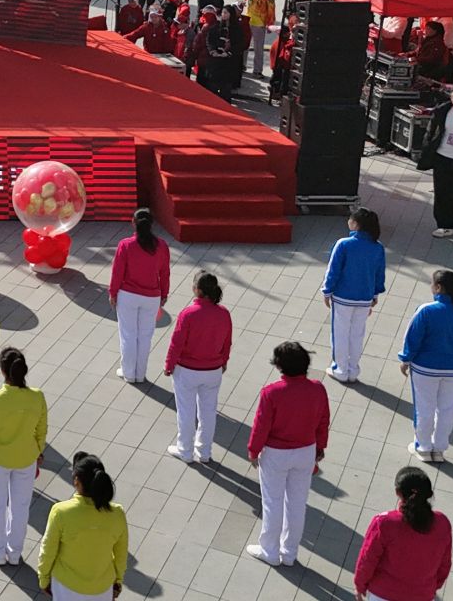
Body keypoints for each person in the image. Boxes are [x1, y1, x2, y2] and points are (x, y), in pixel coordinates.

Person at [247, 340, 330, 566]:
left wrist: (253, 450)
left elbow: (261, 426)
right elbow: (323, 421)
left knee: (272, 502)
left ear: (280, 366)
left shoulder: (271, 392)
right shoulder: (318, 389)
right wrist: (320, 447)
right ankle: (289, 552)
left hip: (275, 454)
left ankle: (269, 550)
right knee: (297, 504)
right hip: (305, 451)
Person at [0, 347, 45, 566]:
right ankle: (15, 552)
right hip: (26, 460)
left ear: (3, 371)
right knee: (20, 507)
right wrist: (38, 451)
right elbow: (41, 430)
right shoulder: (37, 397)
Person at [398, 269, 453, 463]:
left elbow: (412, 338)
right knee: (447, 410)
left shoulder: (426, 310)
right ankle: (439, 448)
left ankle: (423, 446)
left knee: (424, 408)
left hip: (425, 368)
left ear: (439, 288)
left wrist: (406, 359)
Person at [354, 466, 453, 601]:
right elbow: (444, 564)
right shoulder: (442, 523)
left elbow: (367, 559)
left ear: (398, 492)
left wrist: (360, 585)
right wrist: (431, 587)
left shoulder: (384, 523)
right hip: (422, 595)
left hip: (383, 594)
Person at [37, 452, 127, 599]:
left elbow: (48, 550)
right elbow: (121, 554)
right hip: (102, 589)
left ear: (76, 481)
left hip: (66, 588)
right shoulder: (117, 513)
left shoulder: (61, 512)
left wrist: (44, 579)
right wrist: (117, 581)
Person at [163, 271, 231, 463]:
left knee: (186, 412)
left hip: (187, 371)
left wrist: (169, 364)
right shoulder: (223, 314)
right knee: (208, 413)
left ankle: (185, 450)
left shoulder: (188, 314)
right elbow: (227, 341)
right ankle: (204, 452)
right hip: (213, 371)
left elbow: (176, 343)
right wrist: (223, 361)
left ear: (197, 290)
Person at [322, 207, 386, 383]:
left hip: (343, 297)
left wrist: (327, 291)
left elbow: (333, 270)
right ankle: (353, 370)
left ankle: (340, 369)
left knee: (340, 333)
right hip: (365, 298)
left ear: (356, 224)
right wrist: (375, 295)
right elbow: (379, 273)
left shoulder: (344, 244)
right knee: (357, 335)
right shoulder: (378, 247)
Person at [108, 208, 170, 384]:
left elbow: (117, 272)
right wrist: (164, 293)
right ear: (151, 224)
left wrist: (113, 292)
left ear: (133, 223)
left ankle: (128, 373)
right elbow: (165, 273)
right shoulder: (162, 246)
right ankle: (140, 374)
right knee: (145, 336)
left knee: (128, 335)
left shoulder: (125, 245)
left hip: (127, 295)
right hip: (152, 297)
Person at [242, 0, 277, 78]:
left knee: (258, 48)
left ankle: (257, 70)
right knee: (244, 45)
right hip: (248, 20)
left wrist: (270, 23)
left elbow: (271, 7)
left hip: (259, 23)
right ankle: (242, 66)